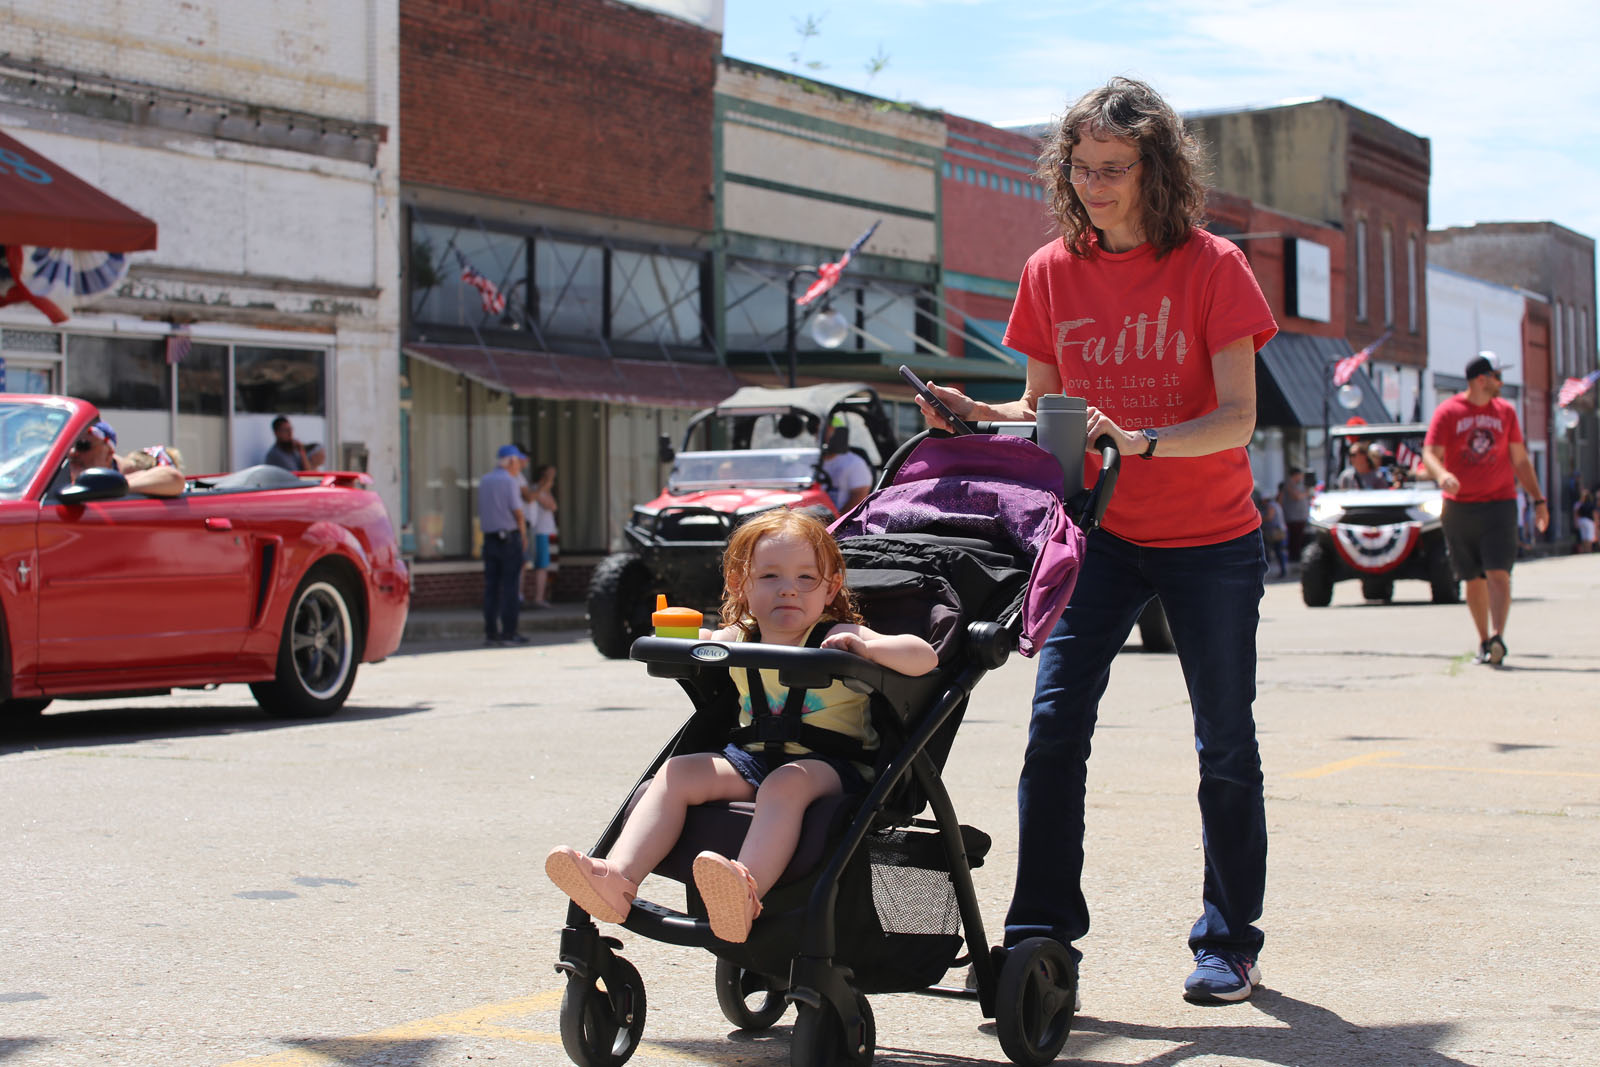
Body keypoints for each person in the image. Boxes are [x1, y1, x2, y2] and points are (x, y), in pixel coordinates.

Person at [914, 76, 1278, 1004]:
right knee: (1053, 728)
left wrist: (1144, 438)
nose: (1095, 186)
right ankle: (1040, 932)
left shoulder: (1212, 266)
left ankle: (1229, 939)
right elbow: (1043, 413)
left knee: (1224, 741)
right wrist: (975, 413)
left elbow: (1236, 419)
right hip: (1099, 535)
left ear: (1158, 169)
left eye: (1115, 168)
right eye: (1081, 168)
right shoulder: (1050, 270)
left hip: (1211, 537)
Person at [544, 508, 937, 943]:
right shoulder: (739, 636)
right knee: (678, 772)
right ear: (740, 585)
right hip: (750, 759)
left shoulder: (840, 633)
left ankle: (744, 891)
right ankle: (617, 879)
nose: (788, 589)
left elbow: (925, 657)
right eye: (769, 577)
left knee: (785, 783)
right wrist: (683, 641)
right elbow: (702, 645)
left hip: (835, 767)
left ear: (831, 589)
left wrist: (867, 648)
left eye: (806, 578)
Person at [1422, 354, 1549, 665]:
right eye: (1496, 377)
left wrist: (1538, 500)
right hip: (1460, 508)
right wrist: (1442, 475)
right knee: (1472, 578)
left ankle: (1497, 637)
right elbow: (1430, 453)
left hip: (1500, 504)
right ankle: (1482, 639)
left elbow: (1520, 460)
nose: (1500, 383)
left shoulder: (1505, 412)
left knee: (1499, 573)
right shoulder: (1448, 411)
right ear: (1482, 379)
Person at [479, 444, 529, 646]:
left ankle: (491, 633)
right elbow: (518, 512)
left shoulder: (485, 480)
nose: (519, 466)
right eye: (517, 461)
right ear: (510, 461)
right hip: (509, 539)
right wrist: (524, 536)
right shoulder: (509, 481)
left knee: (491, 587)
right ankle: (509, 632)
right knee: (510, 587)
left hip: (489, 539)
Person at [67, 420, 185, 498]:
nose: (72, 452)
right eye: (67, 445)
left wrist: (107, 488)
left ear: (109, 453)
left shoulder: (126, 473)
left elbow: (174, 478)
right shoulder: (59, 471)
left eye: (82, 445)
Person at [522, 462, 559, 608]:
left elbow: (554, 505)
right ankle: (536, 598)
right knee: (538, 565)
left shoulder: (544, 490)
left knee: (544, 565)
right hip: (538, 531)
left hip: (546, 531)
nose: (552, 479)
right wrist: (545, 486)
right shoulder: (536, 489)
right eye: (550, 475)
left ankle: (540, 596)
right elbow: (551, 506)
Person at [820, 423, 873, 513]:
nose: (820, 434)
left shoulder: (854, 463)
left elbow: (860, 495)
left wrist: (838, 522)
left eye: (826, 430)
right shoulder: (808, 459)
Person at [1278, 467, 1310, 560]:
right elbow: (1297, 496)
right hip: (1293, 517)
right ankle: (1294, 557)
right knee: (1294, 538)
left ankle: (1296, 556)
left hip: (1300, 516)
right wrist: (1307, 493)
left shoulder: (1300, 484)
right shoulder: (1289, 484)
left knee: (1298, 538)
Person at [1259, 491, 1289, 578]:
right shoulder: (1276, 504)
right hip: (1279, 531)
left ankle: (1282, 571)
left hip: (1276, 532)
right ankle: (1282, 570)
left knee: (1276, 551)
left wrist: (1259, 518)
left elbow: (1269, 517)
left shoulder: (1271, 506)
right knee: (1278, 551)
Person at [1572, 489, 1596, 554]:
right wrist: (1596, 523)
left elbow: (1576, 514)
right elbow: (1594, 514)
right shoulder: (1591, 504)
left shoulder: (1579, 504)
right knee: (1589, 537)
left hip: (1581, 521)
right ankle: (1588, 551)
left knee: (1584, 537)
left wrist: (1576, 522)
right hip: (1589, 521)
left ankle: (1585, 551)